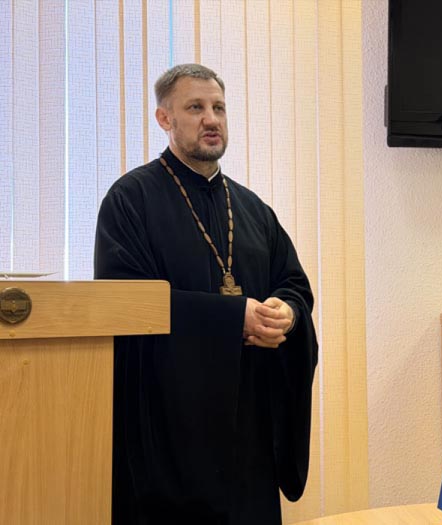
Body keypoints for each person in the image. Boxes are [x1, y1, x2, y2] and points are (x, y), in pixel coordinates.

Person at [94, 63, 318, 524]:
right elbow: (125, 301)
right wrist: (233, 318)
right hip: (168, 433)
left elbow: (293, 284)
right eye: (195, 107)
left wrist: (287, 313)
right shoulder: (130, 200)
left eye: (218, 107)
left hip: (247, 431)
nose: (211, 119)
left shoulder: (253, 210)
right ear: (165, 118)